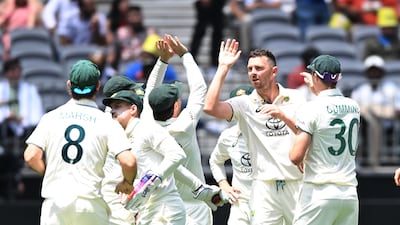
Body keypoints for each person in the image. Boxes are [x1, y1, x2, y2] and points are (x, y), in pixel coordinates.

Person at [203, 39, 306, 224]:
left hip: (296, 183)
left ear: (274, 72)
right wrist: (223, 68)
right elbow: (210, 107)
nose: (253, 73)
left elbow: (307, 133)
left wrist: (283, 116)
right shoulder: (245, 104)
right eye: (250, 69)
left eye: (258, 68)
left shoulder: (297, 98)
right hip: (264, 189)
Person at [23, 59, 137, 225]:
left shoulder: (50, 118)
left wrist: (50, 174)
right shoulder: (107, 122)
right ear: (98, 86)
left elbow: (31, 156)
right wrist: (127, 182)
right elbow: (129, 162)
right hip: (89, 205)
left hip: (55, 206)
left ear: (69, 85)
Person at [146, 34, 213, 224]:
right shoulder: (185, 124)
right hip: (194, 207)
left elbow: (150, 88)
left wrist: (162, 60)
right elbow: (199, 89)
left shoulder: (146, 125)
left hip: (160, 207)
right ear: (176, 106)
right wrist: (185, 55)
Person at [289, 54, 360, 225]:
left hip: (319, 193)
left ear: (314, 77)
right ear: (338, 78)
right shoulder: (354, 106)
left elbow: (295, 156)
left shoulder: (310, 108)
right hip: (349, 194)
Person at [208, 85, 254, 225]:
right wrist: (224, 185)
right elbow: (215, 161)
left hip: (268, 201)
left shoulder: (269, 132)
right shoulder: (228, 136)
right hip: (240, 203)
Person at [350, 55, 400, 164]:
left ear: (382, 72)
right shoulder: (360, 90)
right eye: (371, 71)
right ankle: (370, 159)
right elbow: (353, 110)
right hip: (365, 127)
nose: (374, 74)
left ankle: (376, 159)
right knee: (368, 113)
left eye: (376, 71)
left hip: (389, 126)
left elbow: (398, 109)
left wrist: (379, 112)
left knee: (373, 112)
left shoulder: (392, 88)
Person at [189, 0, 226, 71]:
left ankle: (215, 62)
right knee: (200, 31)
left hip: (218, 4)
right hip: (204, 6)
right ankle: (192, 59)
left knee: (217, 34)